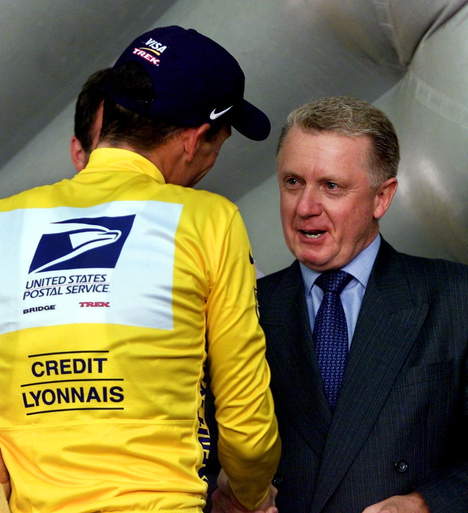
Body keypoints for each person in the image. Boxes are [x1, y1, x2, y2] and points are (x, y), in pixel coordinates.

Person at [0, 25, 280, 513]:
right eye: (220, 144)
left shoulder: (7, 221)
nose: (211, 162)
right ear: (195, 139)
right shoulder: (208, 219)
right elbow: (246, 424)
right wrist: (249, 494)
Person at [213, 96, 467, 513]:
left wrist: (424, 504)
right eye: (293, 182)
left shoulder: (455, 297)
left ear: (382, 199)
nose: (306, 207)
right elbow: (189, 444)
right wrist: (224, 490)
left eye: (331, 186)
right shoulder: (241, 308)